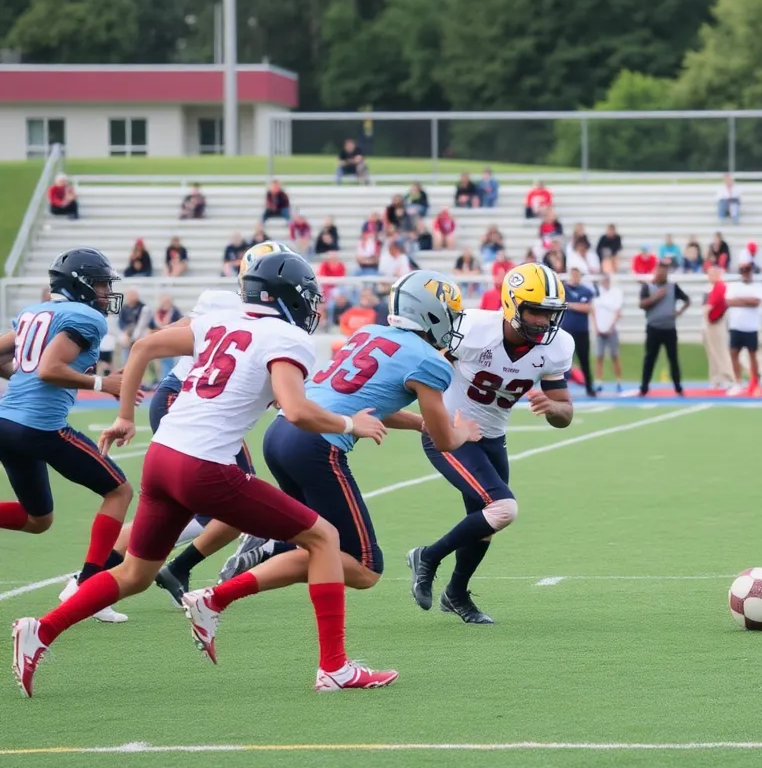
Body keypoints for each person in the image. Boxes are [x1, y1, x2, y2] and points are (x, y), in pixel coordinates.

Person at [13, 252, 396, 698]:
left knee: (135, 573)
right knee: (324, 537)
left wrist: (124, 416)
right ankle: (334, 667)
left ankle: (41, 630)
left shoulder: (219, 321)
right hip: (203, 466)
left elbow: (142, 348)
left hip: (162, 456)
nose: (311, 307)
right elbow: (295, 410)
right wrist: (352, 424)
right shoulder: (285, 337)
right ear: (287, 295)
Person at [213, 272, 478, 630]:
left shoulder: (369, 333)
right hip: (315, 445)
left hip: (281, 435)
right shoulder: (430, 362)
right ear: (431, 313)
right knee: (365, 566)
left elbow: (365, 403)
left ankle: (263, 553)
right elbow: (445, 440)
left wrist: (418, 423)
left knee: (319, 544)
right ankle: (242, 575)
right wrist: (463, 432)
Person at [405, 263, 575, 624]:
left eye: (550, 314)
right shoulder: (470, 329)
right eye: (536, 311)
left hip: (492, 438)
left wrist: (553, 407)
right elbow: (423, 372)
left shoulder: (557, 346)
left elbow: (565, 414)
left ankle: (455, 594)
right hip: (449, 435)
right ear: (512, 304)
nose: (544, 322)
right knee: (501, 506)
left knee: (484, 522)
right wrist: (435, 422)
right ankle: (428, 557)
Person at [146, 242, 295, 606]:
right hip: (187, 402)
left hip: (207, 407)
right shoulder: (223, 303)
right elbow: (166, 338)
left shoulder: (268, 321)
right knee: (223, 504)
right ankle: (94, 573)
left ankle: (174, 568)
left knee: (218, 504)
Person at [0, 248, 133, 626]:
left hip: (5, 424)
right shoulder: (85, 316)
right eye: (102, 284)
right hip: (39, 427)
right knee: (120, 491)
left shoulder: (33, 313)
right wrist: (102, 382)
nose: (106, 293)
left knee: (37, 519)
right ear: (82, 284)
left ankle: (88, 585)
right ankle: (90, 588)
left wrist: (21, 377)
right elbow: (49, 369)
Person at [637, 260, 689, 396]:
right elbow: (642, 304)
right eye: (660, 270)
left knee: (673, 358)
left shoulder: (673, 287)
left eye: (665, 270)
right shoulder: (648, 287)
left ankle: (678, 388)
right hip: (653, 328)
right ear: (656, 270)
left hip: (669, 329)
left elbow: (687, 300)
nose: (662, 273)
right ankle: (644, 388)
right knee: (650, 358)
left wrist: (679, 312)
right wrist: (657, 297)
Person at [725, 260, 762, 396]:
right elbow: (729, 302)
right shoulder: (733, 285)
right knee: (734, 354)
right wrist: (746, 301)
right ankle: (738, 382)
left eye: (747, 270)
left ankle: (755, 383)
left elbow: (756, 302)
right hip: (736, 326)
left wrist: (740, 300)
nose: (745, 273)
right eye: (742, 270)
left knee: (752, 356)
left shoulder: (758, 286)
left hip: (751, 327)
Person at [561, 267, 596, 397]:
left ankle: (589, 387)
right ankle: (561, 389)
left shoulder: (586, 291)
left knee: (584, 360)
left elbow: (587, 308)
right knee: (564, 362)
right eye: (573, 275)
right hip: (566, 331)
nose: (575, 277)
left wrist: (570, 305)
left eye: (577, 275)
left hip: (581, 330)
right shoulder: (563, 289)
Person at [701, 264, 733, 390]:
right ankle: (716, 379)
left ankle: (729, 378)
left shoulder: (720, 286)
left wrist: (706, 316)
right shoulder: (712, 288)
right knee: (713, 353)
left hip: (715, 323)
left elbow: (711, 305)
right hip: (710, 322)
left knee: (720, 352)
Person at [592, 269, 624, 394]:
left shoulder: (616, 293)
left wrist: (611, 327)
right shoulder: (597, 293)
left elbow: (618, 312)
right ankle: (599, 382)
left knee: (614, 356)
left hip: (612, 330)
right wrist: (596, 327)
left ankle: (619, 381)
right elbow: (593, 311)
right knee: (599, 357)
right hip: (600, 329)